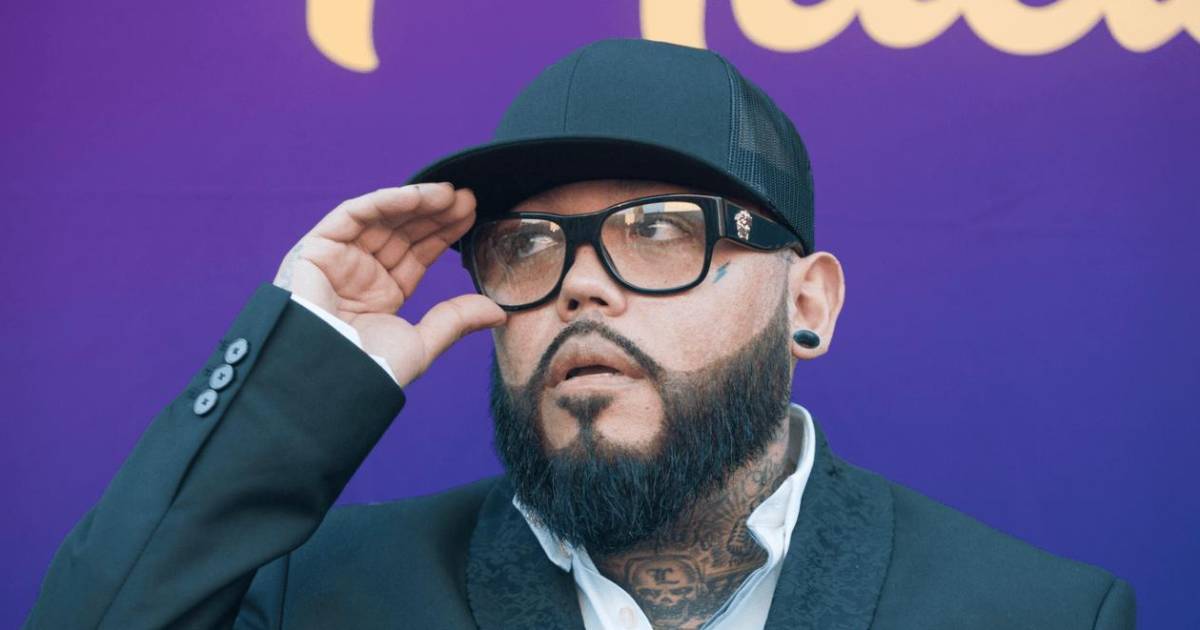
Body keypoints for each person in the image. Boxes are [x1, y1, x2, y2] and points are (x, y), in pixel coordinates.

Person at [24, 38, 1134, 630]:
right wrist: (305, 360)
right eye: (528, 245)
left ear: (808, 303)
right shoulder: (315, 596)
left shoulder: (1037, 613)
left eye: (659, 232)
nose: (581, 286)